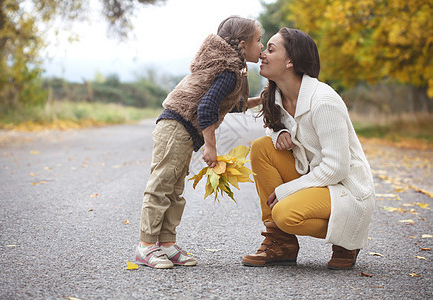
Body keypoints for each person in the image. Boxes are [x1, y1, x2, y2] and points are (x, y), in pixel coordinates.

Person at [135, 16, 264, 269]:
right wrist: (211, 148)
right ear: (242, 44)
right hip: (176, 126)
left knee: (174, 190)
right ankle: (146, 245)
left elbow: (229, 104)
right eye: (258, 40)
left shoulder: (228, 69)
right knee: (162, 185)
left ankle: (167, 244)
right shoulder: (227, 71)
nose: (262, 45)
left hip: (181, 129)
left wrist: (259, 100)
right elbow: (207, 108)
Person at [241, 27, 375, 269]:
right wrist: (278, 132)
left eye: (271, 49)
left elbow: (337, 169)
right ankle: (280, 242)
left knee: (284, 213)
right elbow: (273, 130)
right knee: (262, 147)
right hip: (315, 177)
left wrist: (288, 190)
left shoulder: (323, 102)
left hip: (345, 188)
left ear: (291, 61)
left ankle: (348, 239)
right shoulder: (278, 97)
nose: (262, 54)